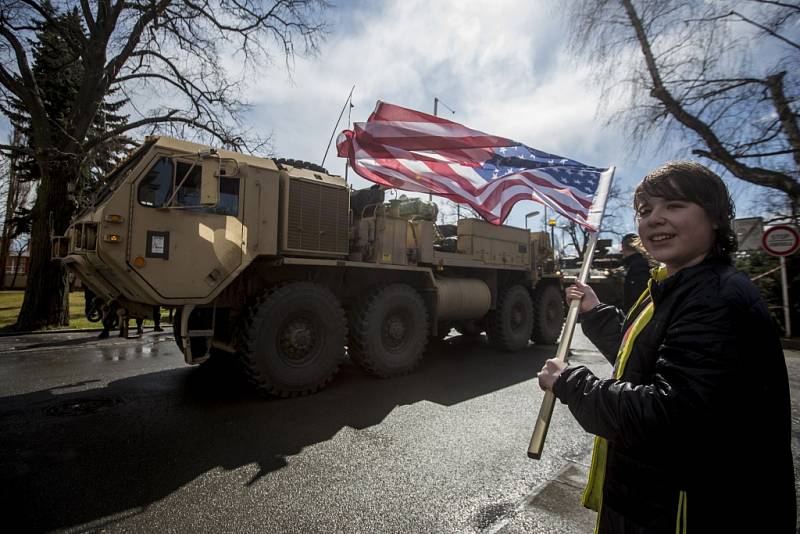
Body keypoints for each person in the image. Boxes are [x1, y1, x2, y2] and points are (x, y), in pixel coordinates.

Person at [537, 162, 795, 533]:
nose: (655, 218)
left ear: (716, 219)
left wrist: (571, 383)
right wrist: (595, 313)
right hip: (652, 503)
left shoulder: (716, 297)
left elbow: (669, 418)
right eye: (645, 211)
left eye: (674, 205)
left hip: (688, 512)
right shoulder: (675, 283)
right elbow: (642, 357)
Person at [620, 233, 651, 313]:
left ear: (623, 247)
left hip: (637, 314)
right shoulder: (641, 263)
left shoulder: (638, 266)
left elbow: (637, 296)